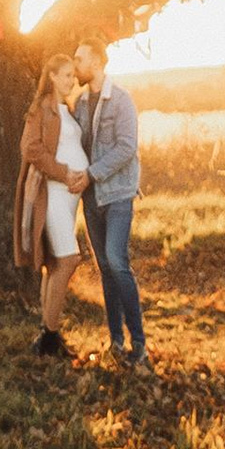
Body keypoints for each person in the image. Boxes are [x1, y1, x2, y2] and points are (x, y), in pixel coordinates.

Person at [74, 39, 149, 370]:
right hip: (90, 198)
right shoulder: (79, 104)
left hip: (117, 194)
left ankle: (139, 343)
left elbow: (127, 147)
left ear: (96, 62)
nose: (76, 65)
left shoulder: (121, 100)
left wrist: (91, 174)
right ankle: (116, 341)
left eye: (80, 59)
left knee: (118, 262)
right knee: (105, 267)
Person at [13, 52, 90, 356]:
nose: (73, 80)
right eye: (67, 75)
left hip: (70, 198)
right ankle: (49, 336)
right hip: (53, 194)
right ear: (53, 77)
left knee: (55, 264)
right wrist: (64, 172)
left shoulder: (66, 109)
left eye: (73, 75)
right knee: (69, 260)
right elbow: (30, 148)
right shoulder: (42, 108)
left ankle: (47, 337)